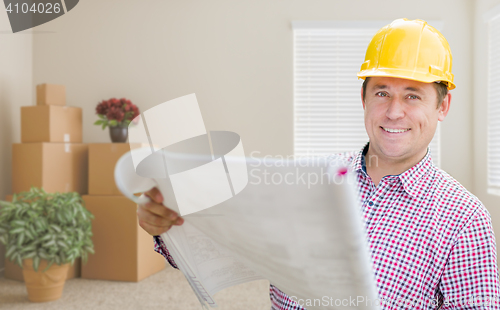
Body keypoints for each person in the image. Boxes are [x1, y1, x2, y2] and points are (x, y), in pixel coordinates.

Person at [137, 18, 500, 309]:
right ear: (363, 98)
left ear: (442, 107)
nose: (393, 111)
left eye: (412, 95)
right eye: (382, 92)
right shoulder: (308, 180)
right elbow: (227, 249)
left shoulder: (464, 220)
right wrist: (167, 225)